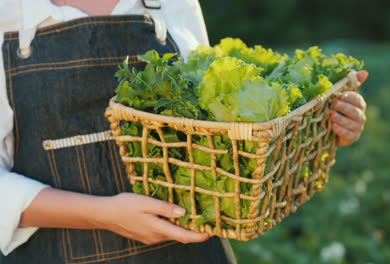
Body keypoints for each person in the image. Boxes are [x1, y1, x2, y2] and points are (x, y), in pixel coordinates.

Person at [0, 0, 368, 263]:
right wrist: (101, 214)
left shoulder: (171, 4)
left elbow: (216, 137)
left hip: (191, 250)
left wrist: (321, 125)